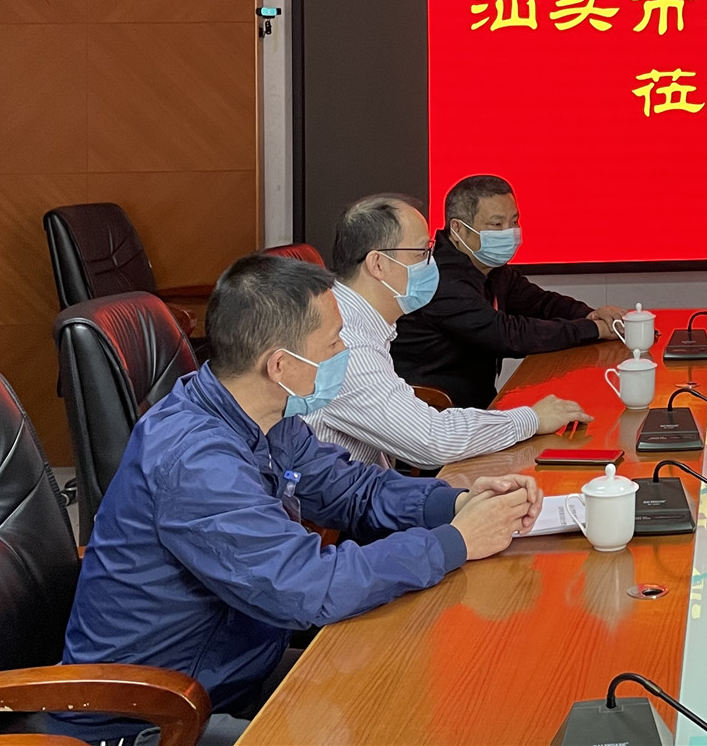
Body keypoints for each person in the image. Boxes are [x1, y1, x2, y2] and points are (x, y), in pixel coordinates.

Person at [54, 253, 544, 746]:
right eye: (333, 343)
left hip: (233, 667)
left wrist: (455, 504)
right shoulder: (196, 462)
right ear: (280, 364)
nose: (344, 352)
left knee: (415, 689)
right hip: (155, 716)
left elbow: (352, 489)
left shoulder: (262, 415)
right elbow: (306, 586)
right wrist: (454, 542)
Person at [307, 193, 592, 469]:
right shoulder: (345, 344)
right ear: (378, 264)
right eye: (421, 253)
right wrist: (532, 419)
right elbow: (433, 441)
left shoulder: (355, 318)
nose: (431, 265)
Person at [392, 174, 628, 409]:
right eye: (497, 224)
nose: (510, 232)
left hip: (477, 406)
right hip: (436, 412)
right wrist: (594, 329)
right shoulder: (439, 278)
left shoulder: (490, 268)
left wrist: (591, 314)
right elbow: (507, 335)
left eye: (514, 222)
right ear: (458, 229)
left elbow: (540, 302)